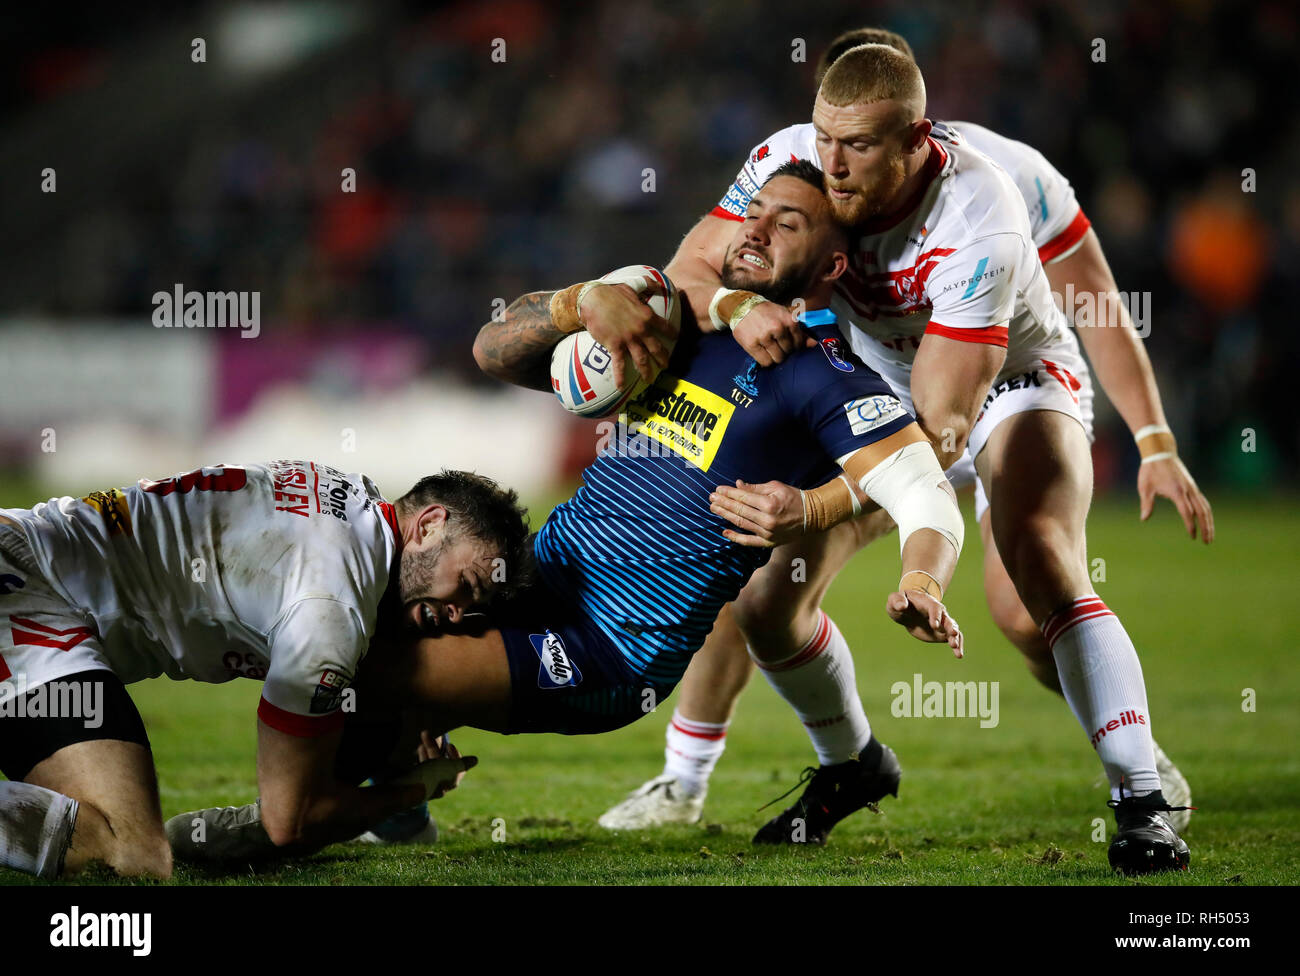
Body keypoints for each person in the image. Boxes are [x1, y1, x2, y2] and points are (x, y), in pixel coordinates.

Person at [165, 163, 969, 863]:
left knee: (373, 668)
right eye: (751, 213)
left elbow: (922, 486)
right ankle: (390, 790)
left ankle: (302, 819)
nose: (752, 230)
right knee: (353, 609)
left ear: (831, 263)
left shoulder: (820, 377)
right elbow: (492, 349)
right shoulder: (675, 319)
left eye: (784, 224)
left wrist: (921, 581)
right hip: (535, 573)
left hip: (611, 648)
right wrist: (581, 303)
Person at [587, 41, 1195, 874]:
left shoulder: (984, 214)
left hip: (1009, 385)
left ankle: (1142, 799)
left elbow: (943, 431)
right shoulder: (788, 158)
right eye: (824, 138)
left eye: (858, 146)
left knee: (1034, 583)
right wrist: (730, 302)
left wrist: (814, 507)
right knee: (766, 600)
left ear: (916, 138)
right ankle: (849, 764)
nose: (830, 165)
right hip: (888, 384)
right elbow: (691, 266)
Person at [0, 461, 526, 878]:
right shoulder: (330, 610)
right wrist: (413, 790)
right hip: (32, 604)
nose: (459, 613)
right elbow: (288, 822)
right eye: (469, 585)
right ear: (429, 525)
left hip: (28, 551)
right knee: (128, 854)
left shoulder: (351, 495)